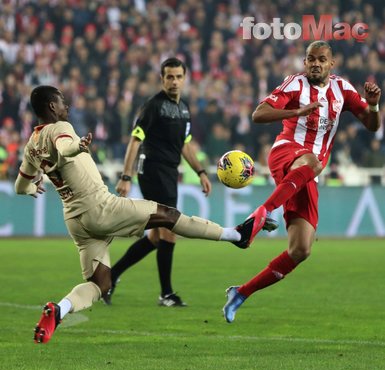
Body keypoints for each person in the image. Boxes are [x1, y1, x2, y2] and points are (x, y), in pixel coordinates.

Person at [14, 85, 262, 343]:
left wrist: (33, 185)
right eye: (62, 102)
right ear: (52, 107)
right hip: (100, 207)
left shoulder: (31, 145)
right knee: (167, 215)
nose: (67, 106)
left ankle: (59, 310)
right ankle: (236, 235)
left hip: (76, 220)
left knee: (100, 284)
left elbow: (21, 186)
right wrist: (78, 146)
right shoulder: (61, 129)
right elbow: (65, 147)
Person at [223, 40, 381, 323]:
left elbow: (371, 126)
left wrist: (373, 106)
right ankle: (266, 211)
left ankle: (241, 293)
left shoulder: (342, 89)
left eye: (321, 59)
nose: (315, 64)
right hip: (286, 152)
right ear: (305, 62)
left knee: (301, 249)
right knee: (314, 161)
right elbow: (259, 114)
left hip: (306, 173)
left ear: (331, 64)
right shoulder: (294, 85)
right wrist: (295, 112)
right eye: (311, 59)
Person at [105, 58, 212, 307]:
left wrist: (201, 171)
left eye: (178, 77)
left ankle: (110, 276)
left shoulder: (184, 109)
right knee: (170, 230)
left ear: (185, 79)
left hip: (168, 173)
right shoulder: (153, 106)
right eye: (169, 77)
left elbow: (185, 145)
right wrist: (126, 176)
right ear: (162, 79)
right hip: (152, 170)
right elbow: (135, 139)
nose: (174, 81)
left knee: (156, 237)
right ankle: (166, 294)